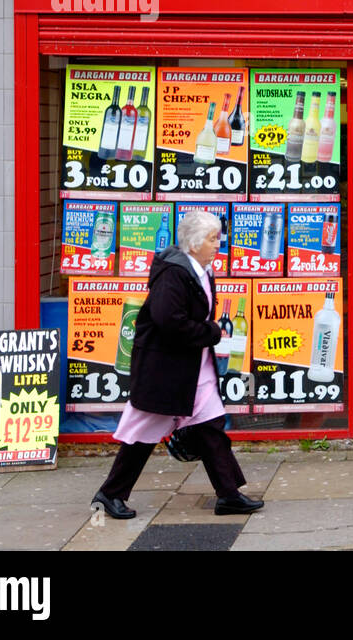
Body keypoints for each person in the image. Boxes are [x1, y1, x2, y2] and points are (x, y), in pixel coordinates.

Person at [92, 210, 263, 519]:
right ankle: (110, 493)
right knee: (143, 433)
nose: (217, 245)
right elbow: (168, 320)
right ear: (194, 243)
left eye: (217, 238)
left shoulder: (202, 268)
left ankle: (228, 494)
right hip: (165, 369)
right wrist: (210, 332)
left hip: (193, 367)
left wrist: (207, 333)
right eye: (212, 239)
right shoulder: (174, 273)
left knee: (211, 428)